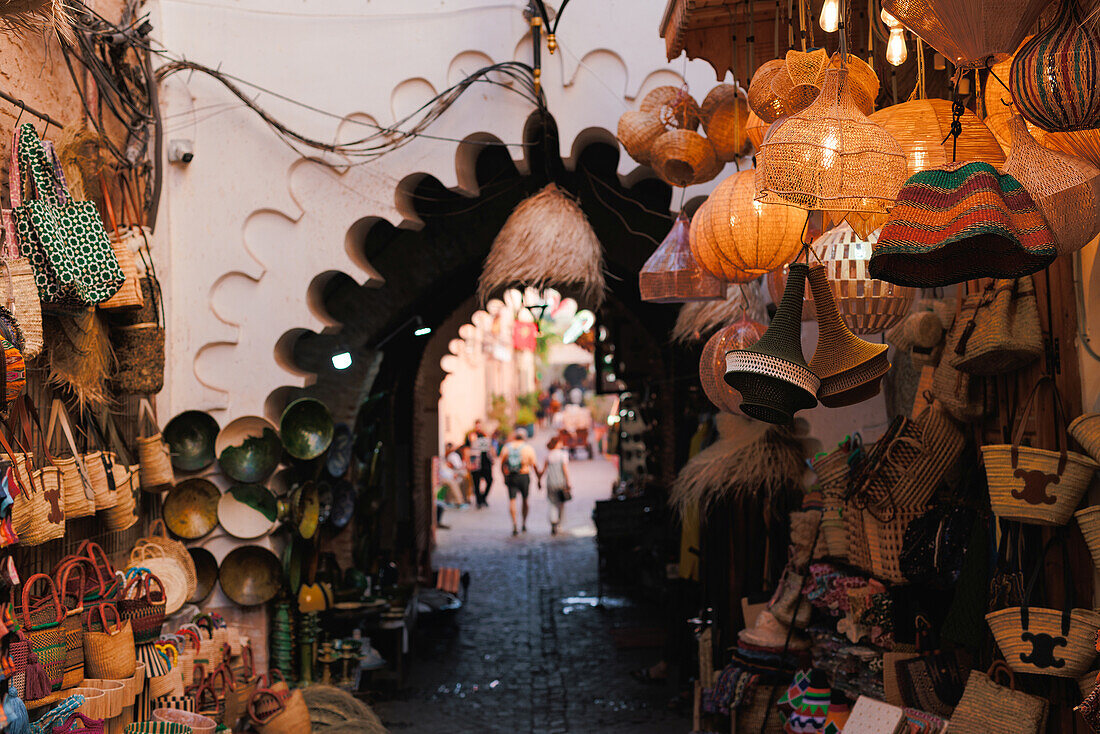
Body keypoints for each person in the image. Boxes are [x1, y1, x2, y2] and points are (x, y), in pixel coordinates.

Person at [500, 428, 538, 536]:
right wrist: (539, 478)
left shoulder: (507, 447)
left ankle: (514, 523)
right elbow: (534, 465)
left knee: (512, 500)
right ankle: (524, 523)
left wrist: (504, 476)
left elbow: (502, 464)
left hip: (511, 476)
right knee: (525, 500)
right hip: (524, 475)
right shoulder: (528, 448)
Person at [538, 436, 572, 535]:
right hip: (560, 483)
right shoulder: (563, 455)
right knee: (561, 505)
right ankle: (559, 524)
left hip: (550, 483)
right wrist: (568, 482)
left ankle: (553, 522)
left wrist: (539, 480)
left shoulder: (548, 455)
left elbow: (543, 471)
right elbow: (565, 470)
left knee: (552, 503)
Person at [465, 420, 495, 508]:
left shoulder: (485, 435)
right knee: (476, 483)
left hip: (485, 462)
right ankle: (479, 500)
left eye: (480, 426)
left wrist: (493, 458)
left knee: (490, 480)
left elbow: (491, 447)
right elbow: (467, 449)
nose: (478, 427)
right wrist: (468, 463)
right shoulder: (471, 436)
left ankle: (483, 498)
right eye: (477, 426)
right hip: (475, 462)